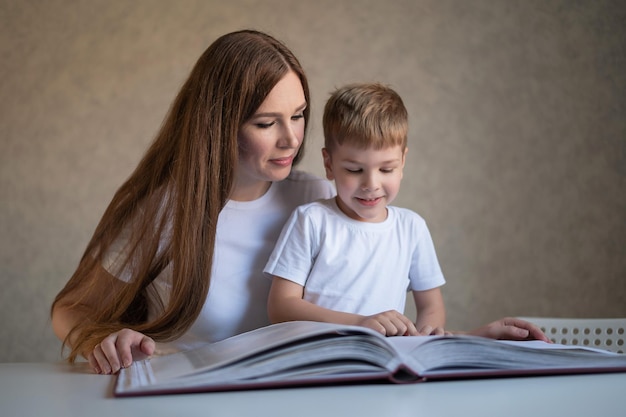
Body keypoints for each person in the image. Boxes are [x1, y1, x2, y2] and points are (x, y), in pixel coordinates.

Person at [50, 29, 549, 376]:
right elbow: (70, 309)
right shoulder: (163, 210)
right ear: (218, 127)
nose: (292, 139)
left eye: (300, 114)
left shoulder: (318, 200)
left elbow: (373, 324)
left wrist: (474, 340)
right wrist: (103, 342)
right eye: (266, 123)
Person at [266, 83, 446, 337]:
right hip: (317, 360)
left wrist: (423, 336)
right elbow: (281, 307)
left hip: (382, 364)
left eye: (386, 169)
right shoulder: (311, 221)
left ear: (402, 162)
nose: (371, 185)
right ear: (329, 164)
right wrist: (359, 322)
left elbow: (431, 307)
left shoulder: (412, 228)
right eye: (354, 170)